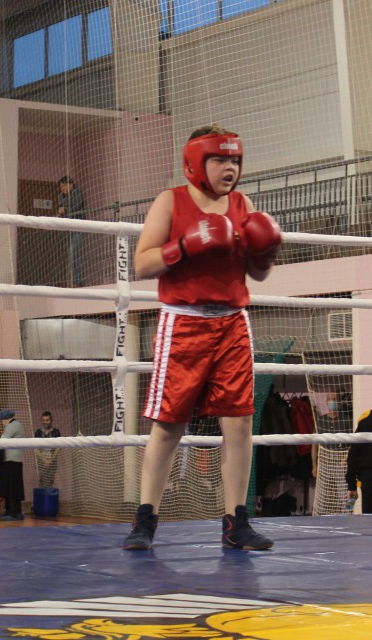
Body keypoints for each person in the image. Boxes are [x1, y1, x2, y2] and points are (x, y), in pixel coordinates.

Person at [123, 125, 282, 552]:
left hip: (232, 320)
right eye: (219, 160)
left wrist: (264, 255)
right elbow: (142, 265)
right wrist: (185, 246)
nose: (229, 168)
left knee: (240, 422)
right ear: (197, 162)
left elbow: (256, 274)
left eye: (234, 160)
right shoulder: (169, 201)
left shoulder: (242, 204)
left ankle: (236, 521)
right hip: (184, 321)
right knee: (170, 424)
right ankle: (145, 519)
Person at [57, 175, 87, 287]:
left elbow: (74, 207)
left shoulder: (77, 193)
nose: (63, 188)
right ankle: (74, 280)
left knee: (74, 253)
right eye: (61, 186)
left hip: (79, 227)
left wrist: (63, 209)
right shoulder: (61, 196)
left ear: (71, 185)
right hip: (67, 228)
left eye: (65, 185)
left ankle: (78, 282)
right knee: (71, 255)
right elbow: (61, 210)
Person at [0, 409, 25, 521]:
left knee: (11, 488)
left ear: (6, 419)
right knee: (12, 487)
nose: (1, 423)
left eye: (2, 420)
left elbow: (2, 441)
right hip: (14, 460)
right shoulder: (17, 425)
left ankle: (13, 512)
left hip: (12, 461)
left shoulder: (12, 426)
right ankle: (13, 511)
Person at [33, 410, 61, 490]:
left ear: (51, 420)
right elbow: (35, 449)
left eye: (47, 420)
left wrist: (50, 460)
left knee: (50, 480)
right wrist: (44, 460)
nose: (45, 422)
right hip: (40, 461)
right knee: (41, 481)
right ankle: (42, 501)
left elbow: (58, 448)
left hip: (52, 460)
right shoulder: (38, 432)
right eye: (43, 420)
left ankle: (49, 500)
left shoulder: (56, 432)